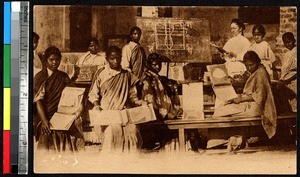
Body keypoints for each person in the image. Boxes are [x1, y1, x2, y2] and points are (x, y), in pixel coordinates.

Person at [88, 46, 146, 152]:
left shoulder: (127, 75)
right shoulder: (101, 73)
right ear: (107, 59)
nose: (115, 61)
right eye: (112, 59)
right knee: (112, 132)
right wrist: (97, 106)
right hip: (107, 113)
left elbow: (132, 97)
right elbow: (93, 95)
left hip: (123, 112)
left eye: (118, 58)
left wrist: (140, 102)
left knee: (133, 132)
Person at [214, 51, 277, 139]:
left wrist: (241, 99)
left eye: (252, 65)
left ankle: (223, 138)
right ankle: (234, 137)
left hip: (256, 107)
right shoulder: (257, 70)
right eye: (247, 65)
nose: (249, 67)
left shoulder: (260, 73)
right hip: (250, 104)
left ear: (257, 62)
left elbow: (260, 96)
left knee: (219, 112)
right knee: (224, 106)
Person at [34, 46, 85, 152]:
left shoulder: (63, 76)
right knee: (48, 130)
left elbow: (73, 94)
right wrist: (44, 121)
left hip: (61, 113)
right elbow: (38, 101)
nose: (54, 63)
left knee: (75, 123)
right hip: (45, 114)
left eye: (57, 60)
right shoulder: (40, 77)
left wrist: (75, 112)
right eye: (51, 60)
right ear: (45, 60)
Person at [121, 26, 147, 98]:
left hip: (141, 78)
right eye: (135, 34)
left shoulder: (140, 48)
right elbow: (125, 66)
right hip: (132, 78)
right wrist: (133, 78)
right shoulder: (127, 47)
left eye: (139, 34)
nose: (137, 36)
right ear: (131, 35)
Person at [279, 32, 297, 112]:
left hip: (293, 82)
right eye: (285, 43)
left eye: (289, 42)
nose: (288, 44)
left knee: (294, 103)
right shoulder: (286, 54)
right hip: (286, 82)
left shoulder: (296, 52)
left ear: (294, 41)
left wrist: (287, 80)